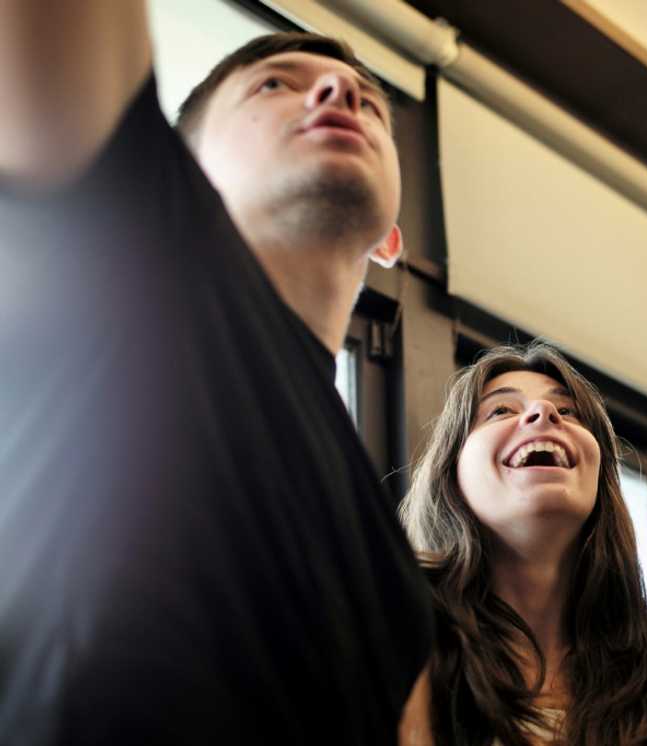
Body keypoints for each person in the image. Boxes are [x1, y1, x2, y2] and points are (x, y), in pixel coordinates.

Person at [1, 5, 431, 743]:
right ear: (187, 164)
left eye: (367, 101)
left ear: (391, 240)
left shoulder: (394, 576)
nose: (338, 93)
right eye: (274, 86)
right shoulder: (132, 257)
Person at [398, 343, 647, 745]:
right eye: (500, 410)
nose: (543, 414)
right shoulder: (404, 622)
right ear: (451, 471)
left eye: (567, 412)